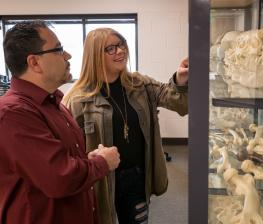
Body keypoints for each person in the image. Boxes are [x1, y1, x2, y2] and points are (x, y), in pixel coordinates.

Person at [62, 27, 188, 224]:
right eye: (110, 48)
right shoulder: (77, 100)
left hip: (135, 178)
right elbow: (70, 153)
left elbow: (180, 104)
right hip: (99, 183)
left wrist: (180, 79)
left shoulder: (140, 84)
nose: (120, 51)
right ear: (95, 56)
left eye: (121, 45)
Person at [0, 20, 120, 224]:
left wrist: (87, 159)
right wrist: (102, 163)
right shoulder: (13, 113)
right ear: (34, 63)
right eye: (59, 50)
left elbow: (57, 162)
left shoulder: (54, 102)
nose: (68, 56)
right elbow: (59, 178)